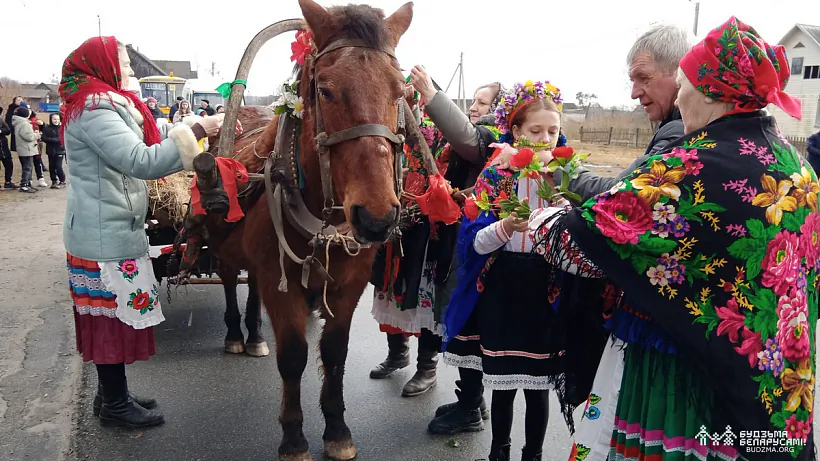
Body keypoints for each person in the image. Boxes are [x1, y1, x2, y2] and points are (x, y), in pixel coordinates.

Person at [545, 17, 816, 460]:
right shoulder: (797, 165)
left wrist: (542, 217)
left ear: (708, 91)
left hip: (690, 372)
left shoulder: (693, 165)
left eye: (685, 83)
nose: (681, 95)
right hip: (772, 387)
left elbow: (577, 237)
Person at [60, 36, 224, 428]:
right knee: (110, 319)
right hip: (103, 237)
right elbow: (140, 160)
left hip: (104, 228)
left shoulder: (101, 103)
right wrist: (196, 129)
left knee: (111, 316)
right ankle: (115, 404)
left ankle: (109, 394)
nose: (131, 70)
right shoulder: (95, 109)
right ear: (104, 66)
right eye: (125, 63)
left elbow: (129, 152)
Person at [441, 81, 572, 461]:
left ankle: (533, 454)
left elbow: (576, 242)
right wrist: (505, 227)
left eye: (552, 131)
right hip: (503, 290)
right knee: (502, 384)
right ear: (515, 131)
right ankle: (499, 452)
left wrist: (563, 214)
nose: (545, 140)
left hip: (545, 291)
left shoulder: (565, 177)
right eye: (536, 131)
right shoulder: (496, 176)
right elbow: (473, 244)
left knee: (538, 388)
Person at [563, 24, 690, 204]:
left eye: (644, 78)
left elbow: (617, 195)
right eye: (633, 81)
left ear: (680, 73)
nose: (634, 93)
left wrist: (560, 168)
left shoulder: (680, 132)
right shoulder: (678, 125)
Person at [11, 106, 40, 193]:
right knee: (27, 168)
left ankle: (28, 183)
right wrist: (37, 134)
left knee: (27, 167)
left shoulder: (19, 122)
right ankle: (24, 185)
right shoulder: (24, 124)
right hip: (27, 149)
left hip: (23, 149)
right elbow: (29, 137)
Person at [41, 113, 66, 188]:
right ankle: (54, 181)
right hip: (50, 150)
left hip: (59, 150)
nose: (56, 121)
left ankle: (62, 180)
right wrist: (52, 140)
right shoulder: (47, 128)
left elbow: (60, 139)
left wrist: (51, 140)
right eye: (54, 119)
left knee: (58, 166)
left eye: (58, 119)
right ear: (51, 119)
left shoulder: (62, 128)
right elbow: (44, 138)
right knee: (51, 167)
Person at [0, 108, 15, 189]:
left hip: (4, 146)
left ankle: (8, 182)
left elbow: (8, 130)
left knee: (9, 164)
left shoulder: (1, 121)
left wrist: (1, 131)